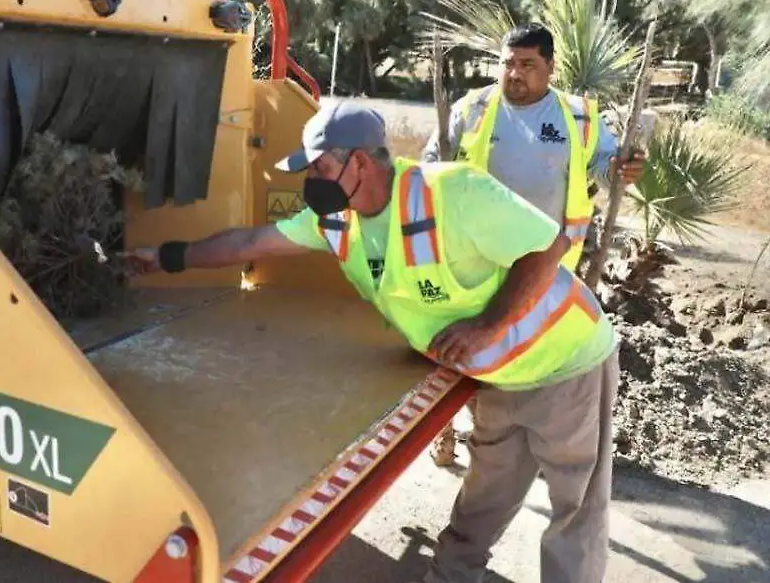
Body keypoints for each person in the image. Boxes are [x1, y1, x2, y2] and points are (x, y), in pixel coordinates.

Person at [124, 100, 621, 583]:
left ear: (359, 162)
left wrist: (487, 326)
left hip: (566, 364)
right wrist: (168, 256)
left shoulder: (454, 192)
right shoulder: (337, 220)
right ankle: (450, 575)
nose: (311, 181)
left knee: (576, 507)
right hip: (494, 375)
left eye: (319, 167)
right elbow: (249, 244)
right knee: (488, 492)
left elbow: (548, 246)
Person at [423, 23, 646, 467]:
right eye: (508, 63)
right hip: (476, 259)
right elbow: (433, 161)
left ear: (551, 67)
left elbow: (605, 167)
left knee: (523, 350)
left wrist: (622, 169)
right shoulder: (473, 107)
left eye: (528, 65)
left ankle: (506, 441)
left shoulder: (579, 118)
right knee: (457, 348)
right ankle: (444, 432)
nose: (514, 74)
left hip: (544, 264)